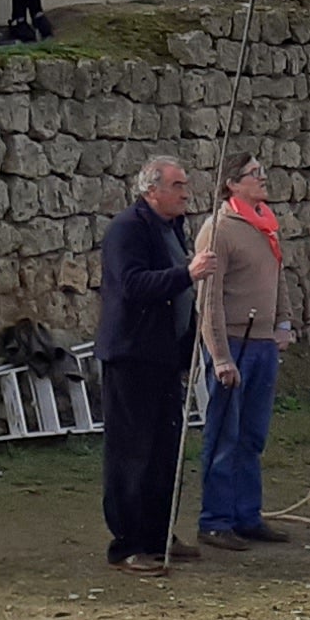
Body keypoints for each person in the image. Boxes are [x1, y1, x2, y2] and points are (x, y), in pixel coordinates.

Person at [93, 154, 221, 575]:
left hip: (165, 356)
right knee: (133, 452)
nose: (186, 193)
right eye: (177, 185)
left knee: (165, 451)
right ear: (152, 191)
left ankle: (157, 533)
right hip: (133, 356)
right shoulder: (127, 230)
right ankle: (128, 544)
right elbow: (132, 285)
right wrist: (188, 273)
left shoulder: (171, 228)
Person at [195, 151, 292, 550]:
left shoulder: (265, 224)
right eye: (254, 173)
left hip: (262, 343)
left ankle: (246, 515)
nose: (262, 178)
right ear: (232, 183)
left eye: (262, 171)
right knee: (225, 435)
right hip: (234, 342)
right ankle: (215, 519)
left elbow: (277, 276)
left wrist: (282, 321)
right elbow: (209, 299)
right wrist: (219, 355)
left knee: (252, 435)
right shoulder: (219, 230)